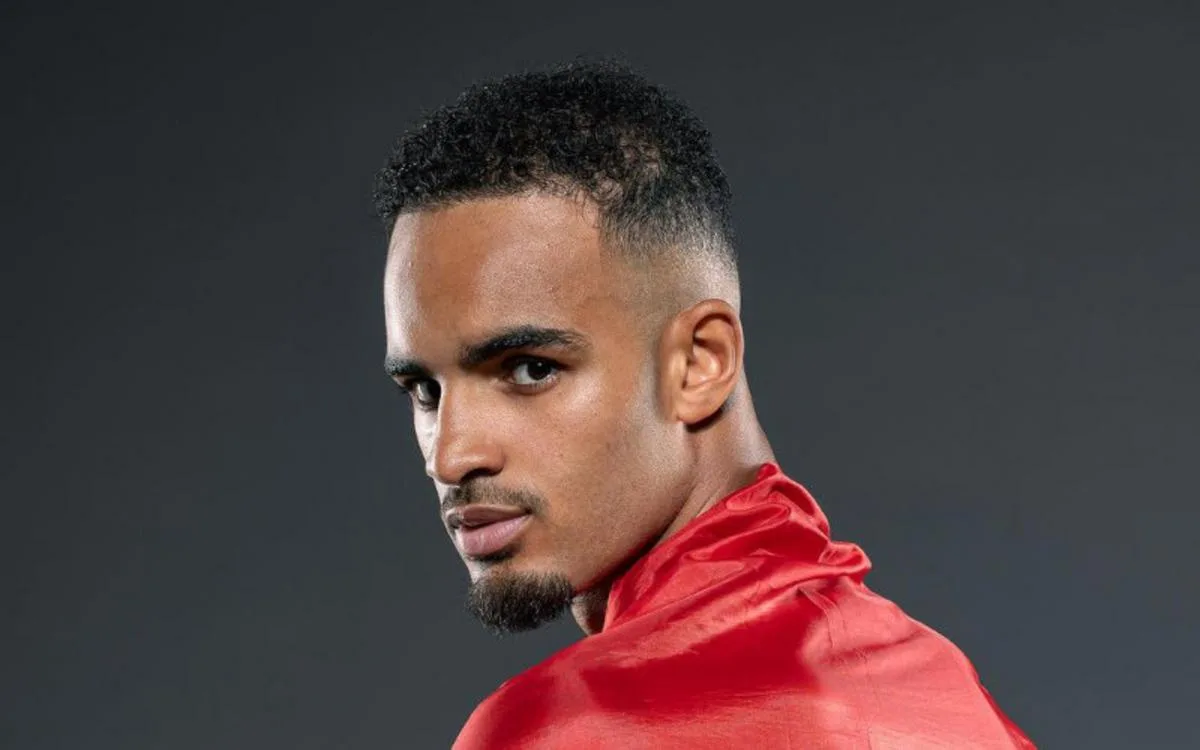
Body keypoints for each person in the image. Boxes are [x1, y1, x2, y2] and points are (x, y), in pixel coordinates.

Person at [375, 62, 1035, 749]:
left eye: (530, 369)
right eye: (424, 390)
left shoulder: (564, 729)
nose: (451, 456)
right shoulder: (955, 701)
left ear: (700, 362)